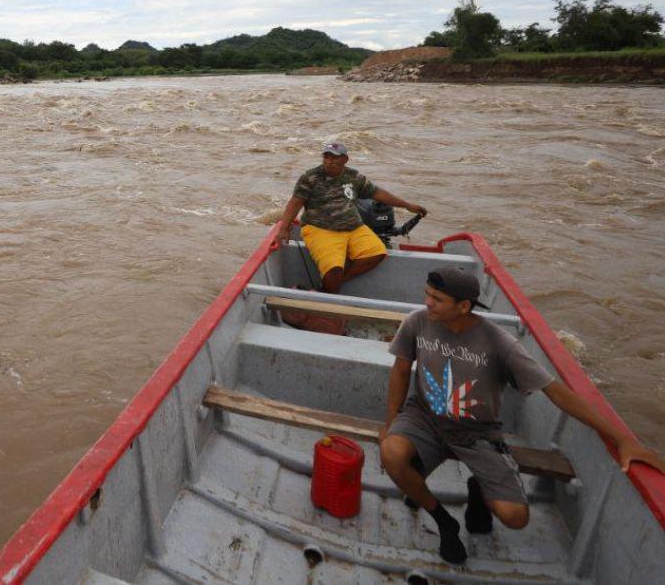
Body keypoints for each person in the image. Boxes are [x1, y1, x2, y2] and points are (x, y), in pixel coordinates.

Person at [380, 266, 665, 565]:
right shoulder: (418, 322)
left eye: (437, 298)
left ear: (463, 306)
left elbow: (555, 391)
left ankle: (480, 490)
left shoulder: (499, 343)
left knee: (515, 517)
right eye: (427, 295)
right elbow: (400, 371)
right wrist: (391, 423)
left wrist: (621, 439)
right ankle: (443, 521)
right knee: (391, 452)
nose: (427, 303)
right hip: (425, 417)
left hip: (477, 433)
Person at [271, 141, 426, 294]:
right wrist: (284, 229)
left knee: (377, 252)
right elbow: (295, 203)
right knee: (333, 268)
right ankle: (330, 300)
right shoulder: (310, 177)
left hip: (354, 227)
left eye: (335, 157)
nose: (330, 160)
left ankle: (332, 285)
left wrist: (407, 205)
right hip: (321, 228)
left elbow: (378, 193)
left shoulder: (354, 177)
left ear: (345, 159)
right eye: (326, 156)